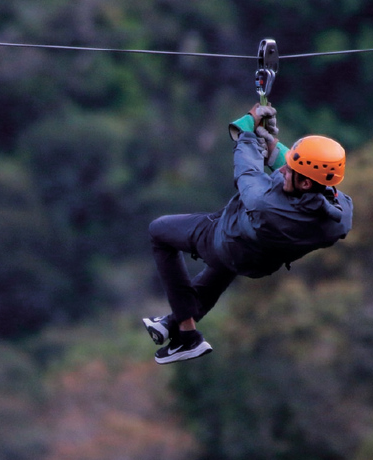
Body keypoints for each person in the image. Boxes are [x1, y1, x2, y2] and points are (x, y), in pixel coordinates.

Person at [143, 103, 353, 364]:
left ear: (306, 182)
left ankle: (186, 335)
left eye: (290, 169)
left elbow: (248, 172)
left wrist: (247, 132)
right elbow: (306, 183)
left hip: (225, 241)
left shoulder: (268, 205)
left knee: (159, 232)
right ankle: (170, 323)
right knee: (222, 267)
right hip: (258, 260)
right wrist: (274, 149)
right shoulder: (340, 214)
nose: (284, 169)